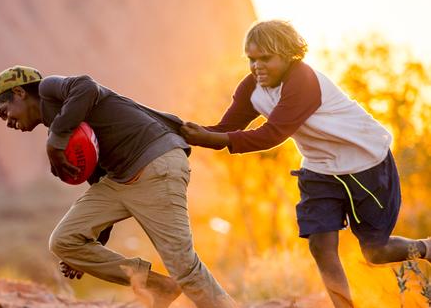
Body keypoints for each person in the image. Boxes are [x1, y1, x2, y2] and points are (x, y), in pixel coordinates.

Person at [180, 20, 431, 308]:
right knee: (320, 246)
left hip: (366, 163)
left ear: (289, 56)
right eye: (251, 59)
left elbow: (271, 134)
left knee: (376, 252)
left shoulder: (303, 80)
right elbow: (225, 128)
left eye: (265, 58)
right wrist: (185, 131)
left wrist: (211, 139)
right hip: (320, 169)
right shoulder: (252, 88)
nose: (257, 66)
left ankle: (426, 247)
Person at [0, 66, 236, 308]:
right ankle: (156, 285)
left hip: (156, 164)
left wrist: (55, 140)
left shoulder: (48, 89)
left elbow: (86, 85)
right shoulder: (65, 122)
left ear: (20, 93)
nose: (7, 122)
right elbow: (98, 178)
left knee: (183, 265)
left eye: (5, 112)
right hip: (120, 178)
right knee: (65, 241)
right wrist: (91, 244)